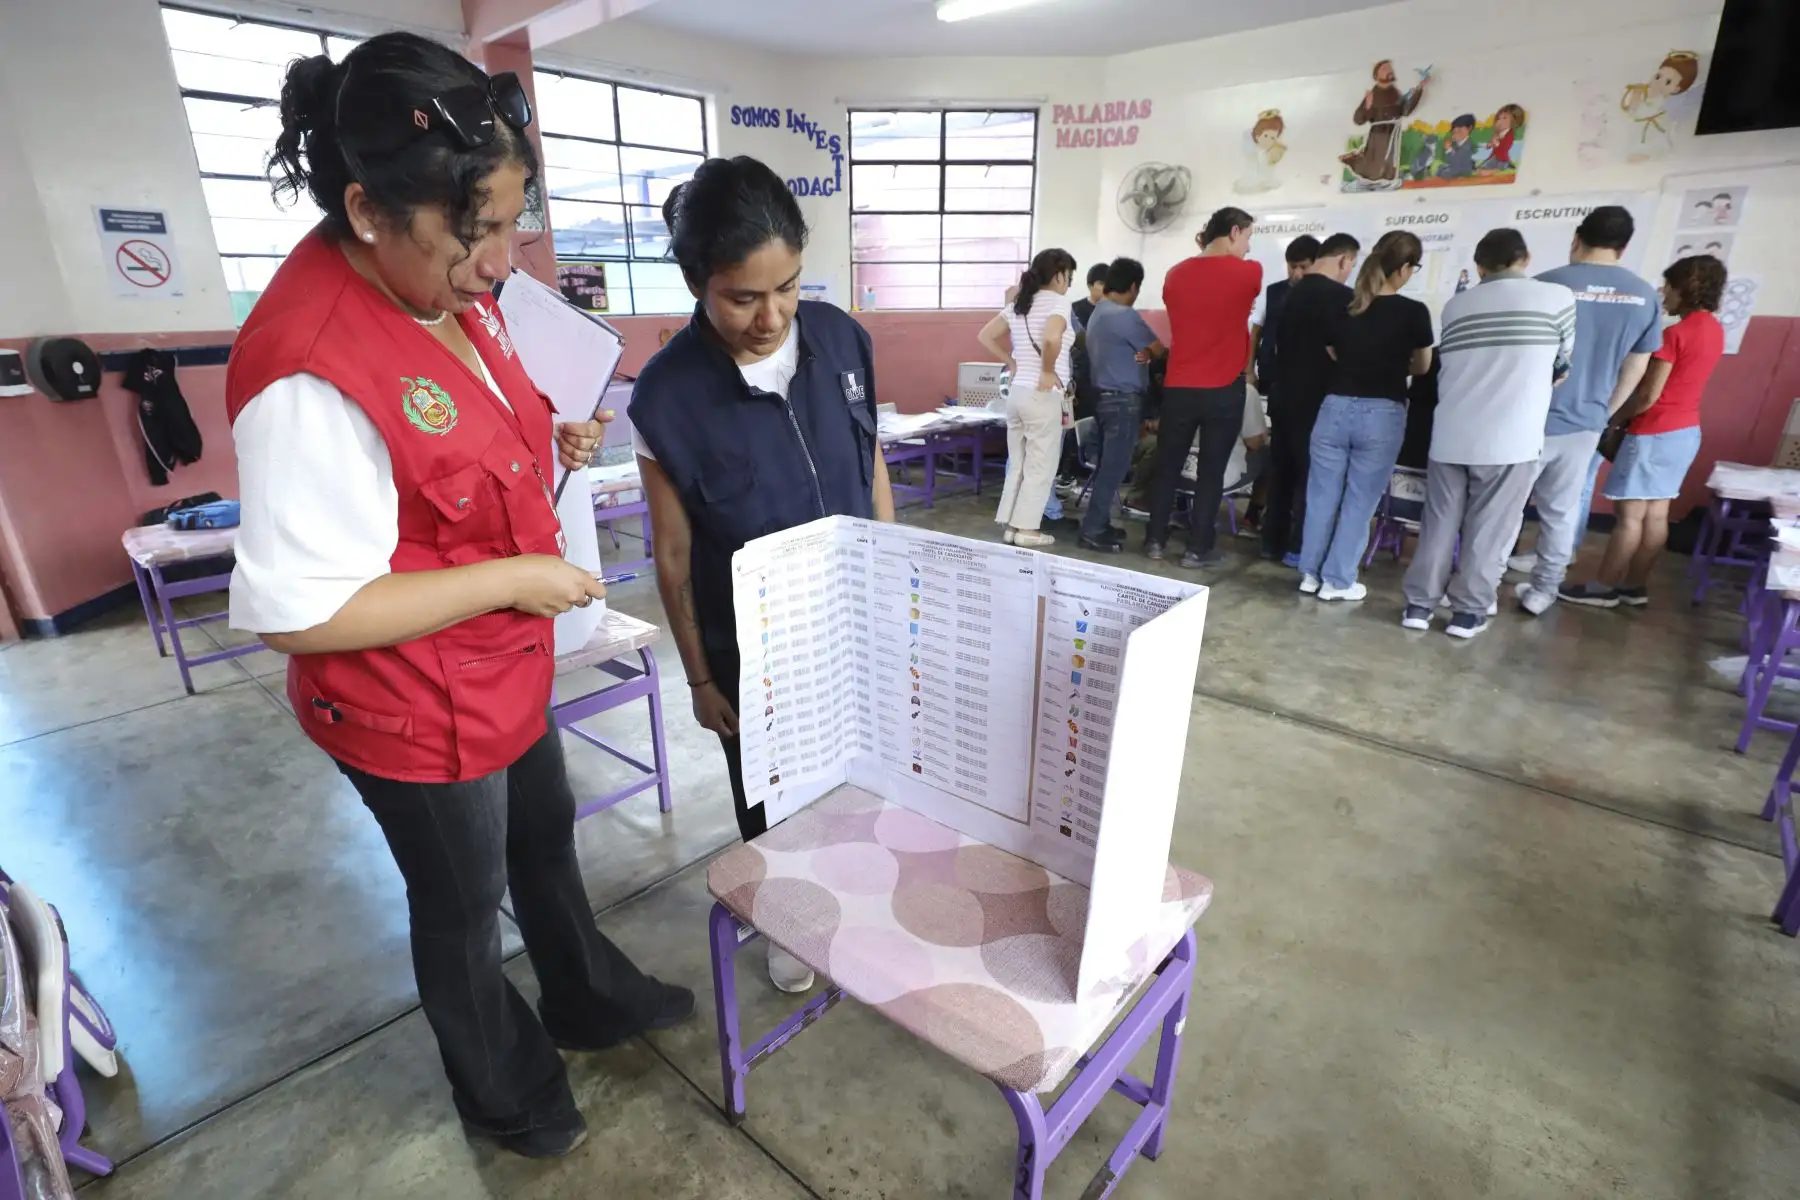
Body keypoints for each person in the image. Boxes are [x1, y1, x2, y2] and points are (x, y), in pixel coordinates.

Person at [225, 34, 690, 1160]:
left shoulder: (444, 282)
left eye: (511, 222)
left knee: (544, 829)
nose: (499, 259)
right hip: (404, 701)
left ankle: (583, 995)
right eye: (475, 232)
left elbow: (468, 426)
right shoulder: (308, 368)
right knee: (462, 902)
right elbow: (304, 611)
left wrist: (549, 432)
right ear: (369, 208)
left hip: (495, 662)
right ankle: (506, 1088)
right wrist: (521, 577)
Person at [631, 157, 895, 992]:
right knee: (773, 799)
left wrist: (893, 580)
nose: (771, 315)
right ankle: (789, 923)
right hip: (755, 654)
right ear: (698, 281)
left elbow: (870, 458)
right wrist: (702, 677)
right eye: (743, 296)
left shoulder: (843, 339)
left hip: (855, 625)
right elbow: (672, 557)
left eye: (786, 287)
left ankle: (858, 900)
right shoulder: (668, 397)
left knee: (864, 782)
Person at [1401, 229, 1575, 638]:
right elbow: (1561, 368)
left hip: (1450, 435)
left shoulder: (1457, 306)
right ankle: (1467, 613)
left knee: (1439, 525)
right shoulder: (1557, 299)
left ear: (1479, 266)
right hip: (1510, 439)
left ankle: (1418, 606)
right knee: (1489, 530)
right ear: (1525, 258)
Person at [1512, 206, 1663, 612]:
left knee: (1505, 507)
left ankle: (1483, 588)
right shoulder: (1645, 296)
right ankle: (1543, 591)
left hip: (1526, 420)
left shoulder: (1544, 284)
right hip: (1585, 425)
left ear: (1577, 238)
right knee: (1561, 513)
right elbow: (1637, 365)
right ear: (1624, 246)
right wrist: (1605, 412)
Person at [1561, 255, 1727, 608]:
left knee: (1629, 517)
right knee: (1656, 513)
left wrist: (1614, 417)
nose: (1663, 292)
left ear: (1687, 288)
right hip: (1685, 433)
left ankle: (1603, 587)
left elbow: (1649, 395)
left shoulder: (1674, 335)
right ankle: (1634, 586)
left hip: (1653, 431)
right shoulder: (1713, 329)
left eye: (1668, 285)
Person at [1297, 231, 1433, 600]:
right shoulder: (1413, 312)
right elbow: (1422, 367)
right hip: (1382, 413)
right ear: (1404, 268)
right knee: (1360, 501)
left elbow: (1331, 351)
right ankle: (1338, 581)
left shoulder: (1345, 307)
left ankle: (1310, 573)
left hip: (1334, 408)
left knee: (1322, 497)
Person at [1146, 206, 1261, 568]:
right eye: (1247, 238)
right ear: (1234, 231)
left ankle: (1154, 540)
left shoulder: (1175, 275)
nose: (1248, 247)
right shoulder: (1249, 273)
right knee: (1212, 470)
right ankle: (1198, 549)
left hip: (1179, 385)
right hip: (1223, 388)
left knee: (1168, 465)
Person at [1260, 232, 1361, 564]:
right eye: (1351, 265)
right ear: (1345, 260)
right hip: (1317, 398)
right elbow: (1342, 350)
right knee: (1312, 475)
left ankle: (1271, 542)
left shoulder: (1287, 293)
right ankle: (1300, 547)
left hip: (1282, 393)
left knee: (1282, 472)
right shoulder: (1343, 298)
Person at [980, 248, 1077, 547]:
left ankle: (1012, 525)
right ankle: (1028, 531)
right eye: (1069, 277)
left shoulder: (1020, 304)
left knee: (1019, 461)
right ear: (1059, 274)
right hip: (1041, 395)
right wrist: (1047, 370)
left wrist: (1012, 363)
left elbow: (984, 336)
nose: (1069, 283)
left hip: (1017, 393)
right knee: (1041, 464)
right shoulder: (1058, 303)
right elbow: (1051, 337)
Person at [1079, 257, 1164, 552]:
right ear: (1132, 286)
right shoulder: (1125, 316)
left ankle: (1098, 523)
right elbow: (1158, 347)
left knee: (1106, 467)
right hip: (1122, 402)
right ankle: (1092, 530)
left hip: (1102, 400)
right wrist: (1149, 352)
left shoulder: (1098, 313)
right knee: (1113, 470)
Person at [1248, 235, 1321, 405]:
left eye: (1303, 267)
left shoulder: (1330, 294)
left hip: (1313, 380)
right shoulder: (1273, 292)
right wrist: (1250, 371)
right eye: (1292, 266)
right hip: (1274, 378)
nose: (1296, 274)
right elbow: (1255, 334)